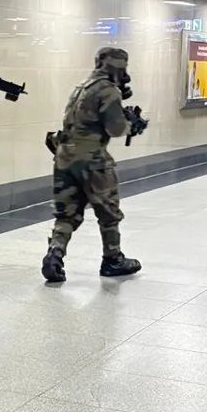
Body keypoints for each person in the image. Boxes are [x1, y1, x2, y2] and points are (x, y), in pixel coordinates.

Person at [41, 47, 141, 283]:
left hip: (64, 156)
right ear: (119, 68)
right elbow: (115, 128)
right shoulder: (108, 90)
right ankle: (112, 259)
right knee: (108, 213)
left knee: (67, 214)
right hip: (92, 160)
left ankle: (54, 255)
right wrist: (131, 126)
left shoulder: (81, 87)